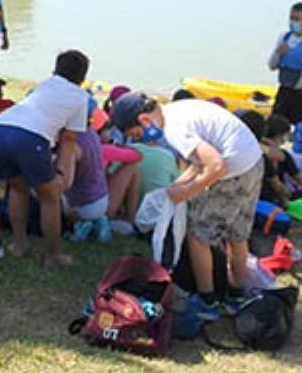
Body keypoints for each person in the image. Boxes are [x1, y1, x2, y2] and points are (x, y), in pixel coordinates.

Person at [111, 92, 264, 322]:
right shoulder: (175, 110)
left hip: (232, 170)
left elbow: (216, 166)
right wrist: (180, 184)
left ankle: (207, 301)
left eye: (136, 134)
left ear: (144, 120)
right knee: (236, 235)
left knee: (197, 237)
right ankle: (237, 296)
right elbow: (199, 160)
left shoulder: (175, 129)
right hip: (253, 161)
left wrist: (188, 192)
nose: (139, 140)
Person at [0, 50, 91, 268]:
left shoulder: (44, 85)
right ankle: (53, 256)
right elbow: (69, 139)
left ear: (55, 69)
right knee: (50, 196)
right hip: (28, 137)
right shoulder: (81, 97)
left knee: (18, 189)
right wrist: (62, 174)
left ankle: (18, 245)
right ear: (82, 78)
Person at [64, 99, 142, 244]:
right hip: (95, 203)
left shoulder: (70, 141)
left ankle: (86, 224)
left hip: (71, 204)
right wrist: (120, 147)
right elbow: (137, 156)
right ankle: (130, 219)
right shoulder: (104, 148)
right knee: (132, 169)